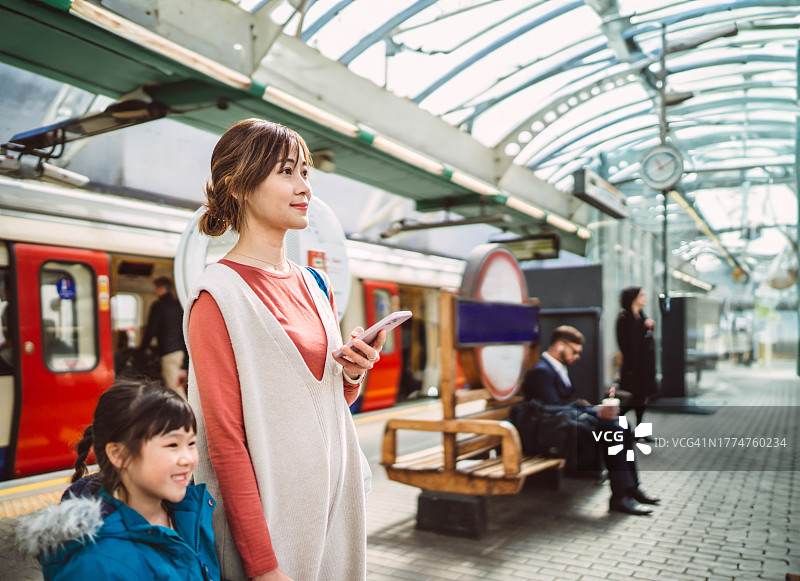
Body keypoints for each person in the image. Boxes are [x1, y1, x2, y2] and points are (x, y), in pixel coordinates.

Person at [186, 118, 384, 581]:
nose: (304, 187)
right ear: (239, 186)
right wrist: (262, 565)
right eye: (286, 172)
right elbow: (225, 445)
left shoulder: (316, 285)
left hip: (337, 516)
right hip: (274, 532)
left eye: (306, 173)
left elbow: (329, 405)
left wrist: (353, 373)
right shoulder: (217, 297)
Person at [15, 379, 220, 581]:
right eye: (172, 445)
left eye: (191, 443)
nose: (189, 459)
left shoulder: (187, 511)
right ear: (118, 455)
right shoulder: (95, 564)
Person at [521, 325, 660, 516]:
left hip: (563, 426)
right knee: (613, 429)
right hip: (552, 434)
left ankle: (631, 488)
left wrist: (596, 411)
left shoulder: (556, 368)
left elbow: (566, 407)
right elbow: (555, 409)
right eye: (575, 351)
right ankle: (619, 497)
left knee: (622, 424)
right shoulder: (542, 372)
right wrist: (594, 411)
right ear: (560, 346)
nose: (577, 356)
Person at [616, 286, 657, 426]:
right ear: (634, 298)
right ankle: (616, 421)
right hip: (633, 367)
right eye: (642, 295)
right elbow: (625, 344)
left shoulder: (641, 316)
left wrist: (649, 327)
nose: (644, 298)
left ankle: (640, 430)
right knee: (634, 397)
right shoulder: (624, 317)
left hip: (645, 365)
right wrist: (630, 368)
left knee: (642, 398)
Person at [139, 276, 187, 394]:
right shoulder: (179, 305)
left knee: (174, 388)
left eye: (155, 288)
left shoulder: (158, 305)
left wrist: (141, 349)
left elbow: (151, 330)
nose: (155, 292)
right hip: (181, 352)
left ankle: (186, 411)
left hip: (169, 352)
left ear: (161, 289)